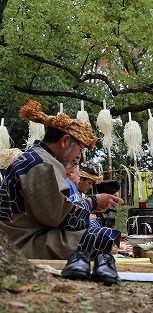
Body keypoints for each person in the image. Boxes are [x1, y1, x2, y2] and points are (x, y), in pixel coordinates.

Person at [0, 100, 124, 284]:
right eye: (80, 149)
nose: (78, 158)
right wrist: (93, 202)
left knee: (94, 229)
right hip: (23, 244)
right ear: (65, 141)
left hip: (21, 237)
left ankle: (84, 261)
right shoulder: (41, 164)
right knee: (100, 237)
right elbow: (63, 218)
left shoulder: (38, 158)